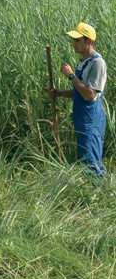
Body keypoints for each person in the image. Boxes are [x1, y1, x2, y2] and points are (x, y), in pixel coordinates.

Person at [47, 22, 107, 177]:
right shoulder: (83, 61)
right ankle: (90, 195)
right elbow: (79, 92)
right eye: (73, 40)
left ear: (89, 42)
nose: (72, 44)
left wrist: (71, 76)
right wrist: (58, 93)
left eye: (77, 40)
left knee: (91, 161)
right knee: (85, 160)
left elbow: (89, 94)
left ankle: (98, 196)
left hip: (91, 118)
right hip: (82, 117)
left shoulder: (97, 63)